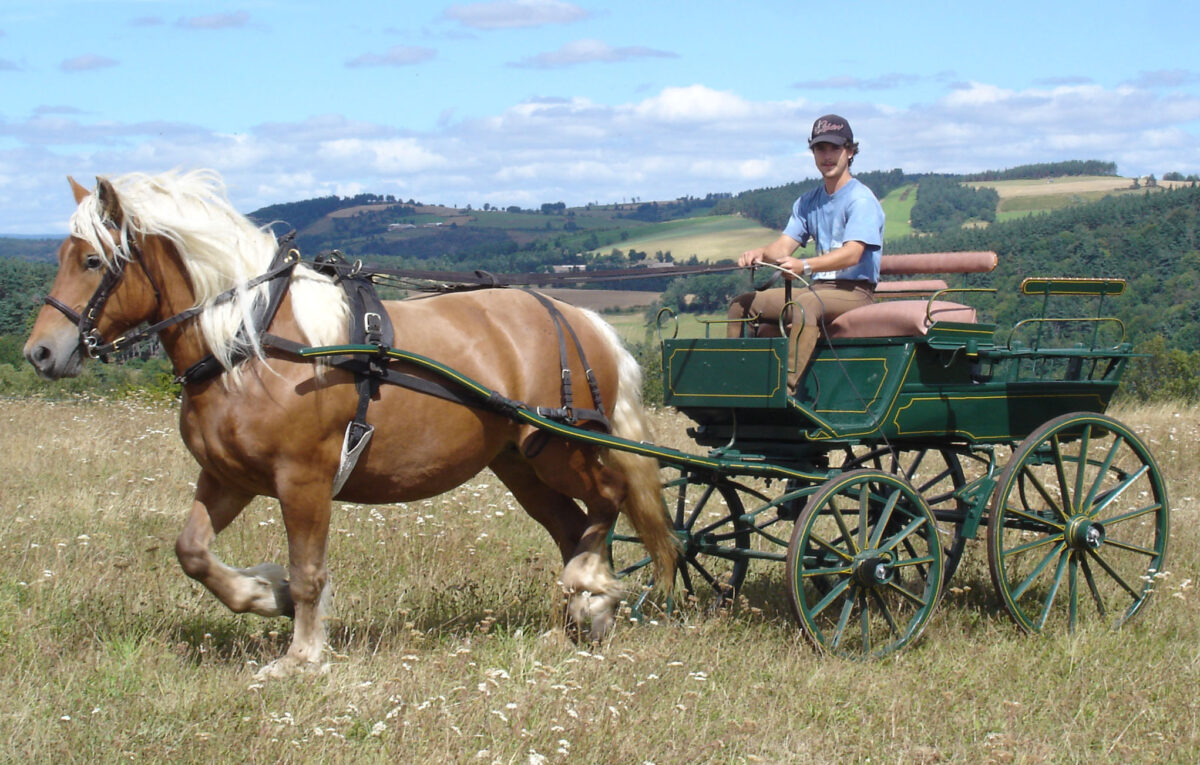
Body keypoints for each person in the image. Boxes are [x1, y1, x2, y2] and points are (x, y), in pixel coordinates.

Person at [727, 114, 884, 388]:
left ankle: (787, 390)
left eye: (835, 148)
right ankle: (737, 382)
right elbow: (783, 247)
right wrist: (760, 253)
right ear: (813, 152)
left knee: (803, 304)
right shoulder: (808, 202)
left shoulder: (861, 200)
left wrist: (805, 266)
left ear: (849, 151)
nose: (827, 156)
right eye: (820, 148)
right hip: (817, 290)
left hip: (854, 293)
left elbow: (852, 254)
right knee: (741, 304)